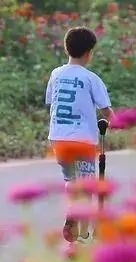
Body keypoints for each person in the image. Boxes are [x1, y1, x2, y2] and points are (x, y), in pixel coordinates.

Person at [45, 26, 113, 242]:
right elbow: (106, 111)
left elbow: (51, 101)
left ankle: (72, 212)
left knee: (71, 179)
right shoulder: (91, 78)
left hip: (58, 137)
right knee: (87, 186)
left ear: (67, 49)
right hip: (82, 139)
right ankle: (83, 235)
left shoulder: (56, 74)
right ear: (89, 53)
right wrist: (115, 121)